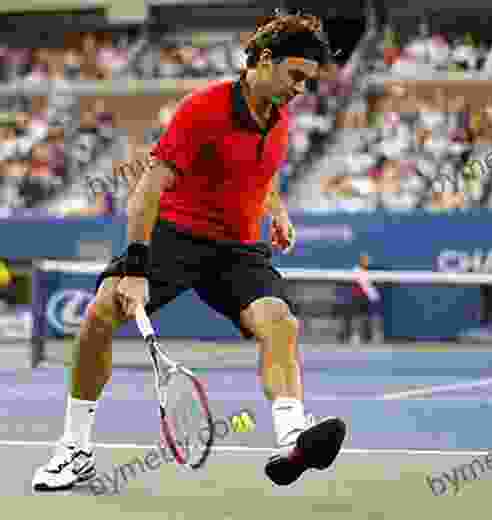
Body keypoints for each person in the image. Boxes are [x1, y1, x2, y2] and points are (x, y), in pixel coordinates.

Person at [32, 9, 346, 492]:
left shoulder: (279, 121)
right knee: (99, 314)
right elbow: (148, 189)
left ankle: (291, 436)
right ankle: (74, 449)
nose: (301, 89)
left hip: (238, 248)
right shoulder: (205, 108)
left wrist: (277, 209)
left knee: (280, 323)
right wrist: (136, 264)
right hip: (177, 237)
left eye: (308, 80)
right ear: (264, 61)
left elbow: (264, 173)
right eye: (296, 76)